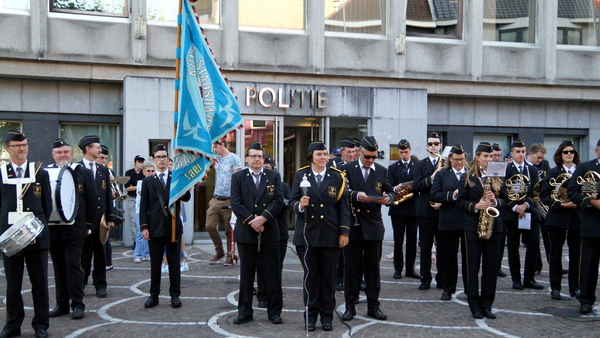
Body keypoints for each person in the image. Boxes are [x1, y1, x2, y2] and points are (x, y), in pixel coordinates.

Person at [289, 141, 349, 332]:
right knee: (311, 278)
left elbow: (343, 207)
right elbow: (291, 201)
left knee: (328, 278)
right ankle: (310, 315)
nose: (323, 158)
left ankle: (327, 316)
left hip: (330, 235)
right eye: (319, 154)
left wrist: (344, 232)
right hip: (307, 235)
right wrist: (300, 205)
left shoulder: (337, 176)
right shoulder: (302, 175)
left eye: (325, 154)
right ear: (311, 157)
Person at [0, 130, 52, 338]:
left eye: (24, 145)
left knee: (39, 283)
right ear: (8, 149)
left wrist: (37, 229)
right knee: (13, 284)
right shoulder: (1, 173)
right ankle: (13, 324)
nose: (22, 149)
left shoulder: (39, 172)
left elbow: (47, 205)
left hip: (36, 238)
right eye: (17, 145)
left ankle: (41, 325)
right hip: (10, 238)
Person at [341, 136, 394, 322]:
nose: (370, 160)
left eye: (373, 157)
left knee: (373, 270)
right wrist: (355, 195)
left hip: (373, 226)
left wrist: (389, 199)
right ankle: (350, 306)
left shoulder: (381, 171)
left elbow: (390, 191)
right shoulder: (346, 169)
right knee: (351, 270)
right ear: (359, 152)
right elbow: (340, 193)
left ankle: (373, 306)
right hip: (353, 227)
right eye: (367, 157)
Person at [230, 142, 283, 325]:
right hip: (247, 231)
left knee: (272, 274)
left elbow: (278, 201)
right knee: (246, 275)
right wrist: (253, 221)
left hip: (269, 231)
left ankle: (274, 312)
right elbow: (236, 203)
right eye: (253, 156)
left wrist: (264, 218)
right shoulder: (238, 177)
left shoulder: (273, 176)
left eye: (260, 156)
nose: (257, 159)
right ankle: (245, 311)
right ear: (247, 158)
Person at [48, 139, 97, 321]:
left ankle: (77, 304)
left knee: (73, 266)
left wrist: (88, 225)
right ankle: (61, 304)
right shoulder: (47, 173)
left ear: (71, 153)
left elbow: (92, 200)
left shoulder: (81, 172)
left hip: (75, 229)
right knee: (59, 268)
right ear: (53, 155)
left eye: (66, 152)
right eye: (59, 152)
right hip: (54, 229)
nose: (63, 155)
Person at [457, 141, 507, 319]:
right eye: (485, 156)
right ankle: (474, 304)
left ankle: (487, 303)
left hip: (495, 226)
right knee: (472, 266)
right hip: (473, 227)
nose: (488, 159)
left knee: (491, 267)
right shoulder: (467, 176)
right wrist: (476, 206)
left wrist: (495, 201)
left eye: (490, 156)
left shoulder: (498, 175)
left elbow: (507, 201)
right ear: (477, 157)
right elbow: (460, 202)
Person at [140, 145, 191, 309]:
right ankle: (153, 295)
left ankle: (175, 295)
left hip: (173, 226)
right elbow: (144, 206)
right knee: (155, 264)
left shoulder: (175, 178)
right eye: (158, 157)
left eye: (164, 156)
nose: (161, 159)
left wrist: (184, 185)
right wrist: (144, 226)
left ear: (168, 159)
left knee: (174, 262)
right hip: (155, 227)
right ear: (153, 160)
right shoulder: (148, 181)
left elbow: (187, 197)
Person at [540, 139, 580, 301]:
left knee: (576, 254)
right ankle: (555, 288)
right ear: (560, 155)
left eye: (571, 152)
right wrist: (561, 205)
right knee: (555, 254)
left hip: (577, 217)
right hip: (558, 217)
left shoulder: (581, 170)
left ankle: (574, 287)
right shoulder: (553, 172)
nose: (569, 154)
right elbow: (544, 195)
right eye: (566, 152)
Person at [503, 140, 543, 291]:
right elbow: (502, 191)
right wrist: (514, 207)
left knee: (533, 245)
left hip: (529, 212)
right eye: (517, 152)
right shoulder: (506, 169)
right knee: (513, 247)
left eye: (523, 152)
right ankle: (516, 279)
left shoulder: (531, 170)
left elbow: (535, 191)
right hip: (512, 214)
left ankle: (529, 278)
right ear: (512, 153)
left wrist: (525, 205)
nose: (520, 155)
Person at [78, 135, 115, 299]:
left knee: (101, 254)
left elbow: (108, 195)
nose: (100, 150)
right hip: (83, 221)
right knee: (83, 256)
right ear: (88, 149)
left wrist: (111, 217)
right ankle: (81, 283)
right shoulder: (76, 169)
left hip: (100, 220)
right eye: (97, 147)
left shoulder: (103, 170)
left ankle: (100, 285)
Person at [567, 138, 600, 314]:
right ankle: (586, 299)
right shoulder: (585, 167)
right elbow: (572, 192)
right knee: (588, 265)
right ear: (597, 151)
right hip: (592, 224)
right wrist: (591, 202)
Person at [430, 144, 467, 301]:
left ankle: (469, 288)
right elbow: (435, 195)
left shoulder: (471, 174)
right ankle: (448, 288)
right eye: (456, 160)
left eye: (462, 160)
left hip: (467, 220)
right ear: (450, 159)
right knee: (448, 257)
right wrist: (452, 195)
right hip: (449, 221)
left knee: (468, 258)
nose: (459, 163)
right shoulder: (442, 174)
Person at [256, 154, 290, 309]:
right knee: (261, 266)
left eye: (269, 168)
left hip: (278, 231)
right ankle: (262, 295)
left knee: (276, 267)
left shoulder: (282, 186)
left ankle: (274, 297)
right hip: (260, 230)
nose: (267, 170)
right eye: (265, 167)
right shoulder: (256, 184)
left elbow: (289, 202)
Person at [413, 132, 444, 290]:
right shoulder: (420, 165)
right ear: (426, 146)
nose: (433, 146)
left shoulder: (446, 164)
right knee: (425, 247)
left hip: (441, 210)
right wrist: (431, 178)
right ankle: (425, 278)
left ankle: (441, 278)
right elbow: (416, 186)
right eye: (430, 143)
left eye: (436, 143)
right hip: (425, 211)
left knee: (443, 247)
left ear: (440, 146)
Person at [387, 139, 421, 280]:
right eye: (401, 152)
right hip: (398, 209)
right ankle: (398, 269)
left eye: (405, 152)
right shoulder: (393, 167)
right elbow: (388, 186)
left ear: (410, 150)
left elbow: (420, 184)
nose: (403, 155)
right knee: (398, 240)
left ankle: (410, 269)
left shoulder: (417, 166)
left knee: (412, 240)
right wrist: (396, 188)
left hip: (413, 208)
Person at [206, 139, 242, 265]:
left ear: (222, 145)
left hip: (229, 199)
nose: (214, 150)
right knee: (209, 225)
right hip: (216, 198)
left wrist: (236, 198)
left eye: (215, 147)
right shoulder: (216, 158)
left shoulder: (234, 158)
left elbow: (239, 179)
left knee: (229, 230)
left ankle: (229, 254)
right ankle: (219, 250)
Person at [96, 145, 114, 272]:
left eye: (106, 158)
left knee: (105, 240)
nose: (104, 161)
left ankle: (107, 263)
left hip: (104, 210)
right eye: (101, 158)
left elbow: (112, 194)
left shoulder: (107, 171)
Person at [492, 143, 508, 278]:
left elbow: (505, 194)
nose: (497, 158)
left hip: (499, 210)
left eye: (498, 155)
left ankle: (496, 266)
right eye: (494, 155)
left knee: (500, 241)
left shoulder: (503, 169)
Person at [133, 162, 154, 263]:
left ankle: (146, 253)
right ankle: (137, 254)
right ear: (144, 172)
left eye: (152, 171)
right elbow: (142, 193)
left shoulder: (155, 181)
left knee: (148, 233)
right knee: (140, 233)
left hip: (151, 211)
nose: (150, 173)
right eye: (148, 171)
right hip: (140, 211)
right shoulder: (141, 182)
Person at [124, 155, 146, 249]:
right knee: (133, 220)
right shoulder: (129, 173)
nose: (140, 164)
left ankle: (143, 241)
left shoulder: (144, 173)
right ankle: (135, 241)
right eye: (139, 162)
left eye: (142, 162)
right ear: (135, 162)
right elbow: (127, 187)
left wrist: (135, 186)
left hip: (142, 198)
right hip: (132, 198)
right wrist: (139, 186)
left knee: (142, 220)